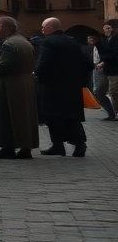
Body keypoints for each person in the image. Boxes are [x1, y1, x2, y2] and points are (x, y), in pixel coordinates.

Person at [0, 17, 38, 159]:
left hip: (10, 86)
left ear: (6, 28)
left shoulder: (9, 44)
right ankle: (25, 148)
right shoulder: (24, 42)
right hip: (25, 84)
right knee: (24, 118)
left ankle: (8, 147)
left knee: (7, 116)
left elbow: (1, 66)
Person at [36, 17, 91, 157]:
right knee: (72, 116)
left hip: (51, 86)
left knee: (53, 116)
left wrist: (37, 75)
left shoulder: (48, 42)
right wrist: (81, 80)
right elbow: (87, 63)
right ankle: (79, 143)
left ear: (49, 28)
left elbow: (44, 62)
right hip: (72, 86)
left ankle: (58, 145)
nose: (42, 31)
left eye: (43, 28)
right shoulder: (72, 41)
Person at [86, 35, 115, 120]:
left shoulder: (103, 46)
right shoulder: (91, 48)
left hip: (102, 69)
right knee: (97, 92)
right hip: (95, 68)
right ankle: (111, 112)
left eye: (91, 38)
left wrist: (103, 62)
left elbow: (107, 55)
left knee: (100, 91)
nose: (89, 40)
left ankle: (112, 112)